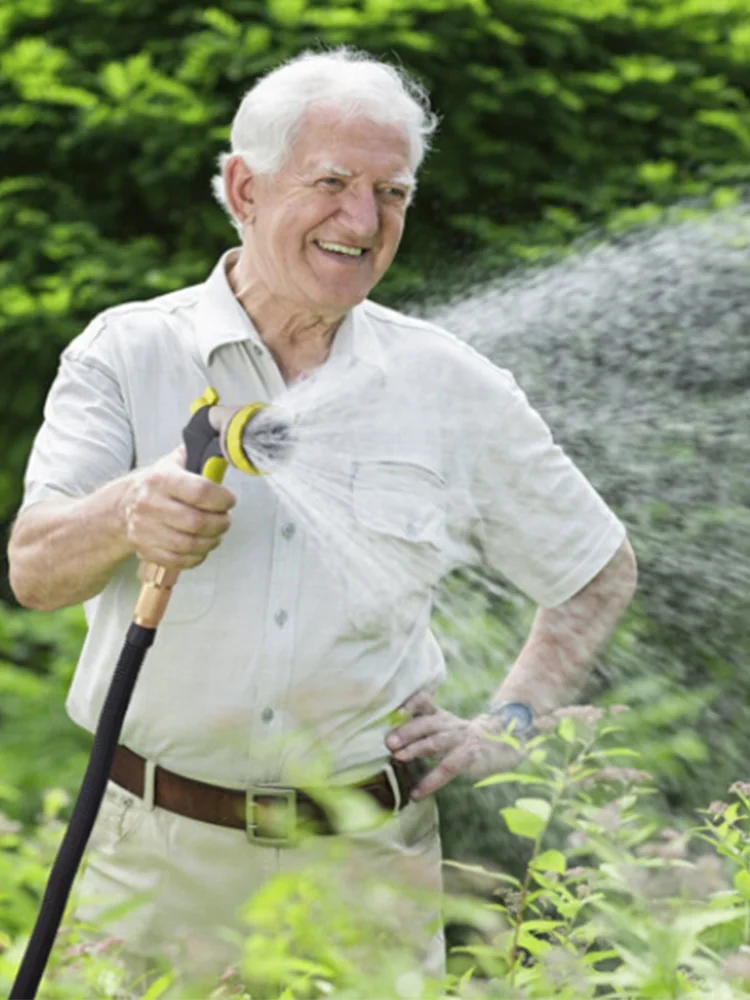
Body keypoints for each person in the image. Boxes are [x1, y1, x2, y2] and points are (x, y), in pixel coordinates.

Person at [8, 47, 637, 991]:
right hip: (151, 858)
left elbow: (596, 570)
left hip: (364, 866)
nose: (362, 219)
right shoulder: (129, 352)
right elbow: (35, 571)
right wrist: (127, 510)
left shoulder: (447, 383)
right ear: (244, 187)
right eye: (333, 182)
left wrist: (506, 724)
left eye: (392, 191)